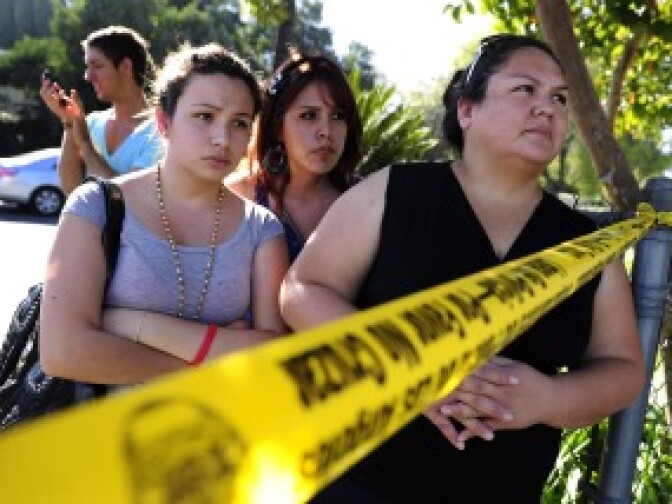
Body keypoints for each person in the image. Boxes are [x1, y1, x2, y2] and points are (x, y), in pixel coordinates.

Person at [280, 34, 645, 503]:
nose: (547, 108)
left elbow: (624, 369)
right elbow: (302, 290)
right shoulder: (395, 192)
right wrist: (406, 363)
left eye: (558, 97)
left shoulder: (585, 243)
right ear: (467, 111)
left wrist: (548, 399)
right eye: (525, 90)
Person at [40, 43, 288, 384]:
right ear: (163, 120)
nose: (222, 138)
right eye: (204, 116)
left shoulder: (261, 229)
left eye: (240, 123)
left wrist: (132, 324)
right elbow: (62, 352)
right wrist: (216, 358)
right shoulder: (95, 205)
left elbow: (274, 356)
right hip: (99, 429)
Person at [226, 50, 363, 262]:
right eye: (309, 115)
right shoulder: (239, 197)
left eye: (338, 116)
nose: (326, 131)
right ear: (278, 127)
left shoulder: (363, 199)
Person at [39, 25, 164, 196]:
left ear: (126, 67)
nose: (88, 76)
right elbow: (71, 189)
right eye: (87, 67)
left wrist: (85, 145)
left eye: (96, 66)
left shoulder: (160, 131)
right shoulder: (92, 123)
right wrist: (69, 122)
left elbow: (126, 198)